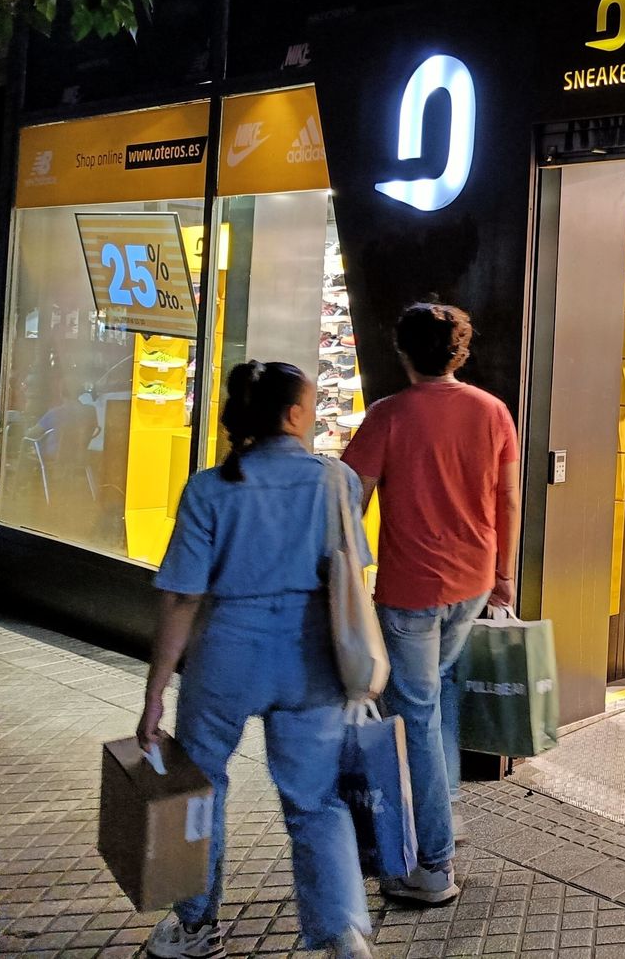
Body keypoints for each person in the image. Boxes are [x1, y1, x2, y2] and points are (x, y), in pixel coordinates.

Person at [138, 361, 374, 959]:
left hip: (226, 654)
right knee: (315, 800)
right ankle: (344, 930)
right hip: (311, 656)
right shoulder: (337, 481)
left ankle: (195, 926)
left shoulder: (209, 487)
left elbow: (183, 597)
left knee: (201, 787)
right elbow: (352, 572)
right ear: (294, 415)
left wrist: (155, 692)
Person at [342, 303, 520, 905]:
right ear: (459, 353)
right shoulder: (492, 411)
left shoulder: (388, 416)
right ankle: (447, 810)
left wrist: (344, 575)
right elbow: (508, 499)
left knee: (414, 715)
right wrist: (503, 576)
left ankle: (435, 864)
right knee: (437, 694)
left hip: (411, 590)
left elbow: (351, 498)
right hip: (473, 582)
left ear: (402, 350)